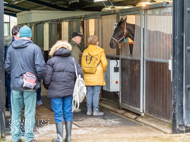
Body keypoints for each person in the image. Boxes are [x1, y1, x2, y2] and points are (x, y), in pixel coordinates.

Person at [4, 26, 45, 142]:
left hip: (15, 86)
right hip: (30, 86)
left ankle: (16, 137)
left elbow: (7, 66)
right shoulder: (35, 48)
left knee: (15, 112)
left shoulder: (11, 48)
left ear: (20, 35)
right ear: (30, 36)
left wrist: (15, 76)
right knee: (29, 112)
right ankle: (28, 137)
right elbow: (40, 68)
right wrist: (37, 80)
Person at [43, 40, 83, 142]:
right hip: (69, 92)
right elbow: (80, 76)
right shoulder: (73, 61)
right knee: (68, 113)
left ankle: (59, 138)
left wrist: (49, 87)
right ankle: (68, 137)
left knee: (58, 113)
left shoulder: (51, 61)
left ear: (55, 49)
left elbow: (47, 78)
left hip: (55, 92)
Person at [81, 35, 108, 116]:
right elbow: (105, 63)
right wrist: (103, 70)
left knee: (89, 92)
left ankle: (89, 111)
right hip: (97, 74)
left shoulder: (85, 51)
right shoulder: (100, 51)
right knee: (96, 93)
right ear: (97, 42)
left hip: (87, 73)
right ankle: (95, 110)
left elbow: (82, 63)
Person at [4, 25, 22, 113]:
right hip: (14, 77)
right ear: (14, 34)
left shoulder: (11, 46)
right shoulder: (12, 47)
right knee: (14, 98)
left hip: (14, 76)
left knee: (14, 97)